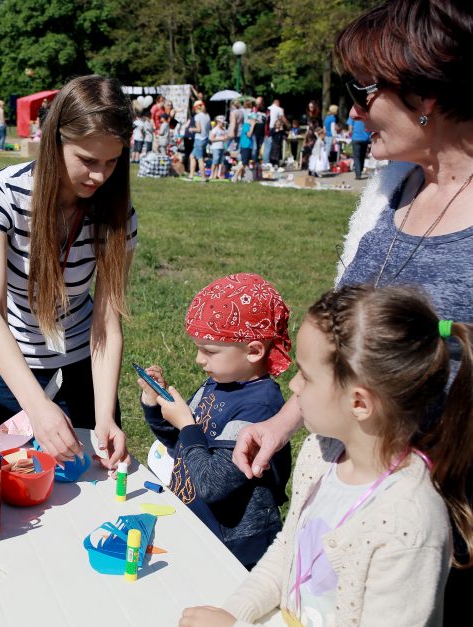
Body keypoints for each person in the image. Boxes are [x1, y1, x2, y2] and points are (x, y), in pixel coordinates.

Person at [233, 0, 473, 615]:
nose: (354, 111)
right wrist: (284, 422)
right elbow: (346, 348)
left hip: (433, 526)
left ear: (425, 89)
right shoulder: (393, 190)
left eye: (364, 91)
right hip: (348, 490)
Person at [182, 284, 472, 627]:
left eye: (306, 376)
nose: (293, 386)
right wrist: (234, 612)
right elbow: (286, 553)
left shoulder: (408, 524)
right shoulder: (321, 455)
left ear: (359, 403)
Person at [0, 75, 136, 467]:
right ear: (53, 141)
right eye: (88, 160)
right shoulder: (0, 196)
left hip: (82, 370)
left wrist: (104, 417)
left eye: (112, 162)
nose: (100, 177)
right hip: (10, 371)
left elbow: (106, 325)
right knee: (19, 488)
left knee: (88, 481)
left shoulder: (117, 214)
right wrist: (36, 407)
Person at [139, 273, 292, 569]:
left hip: (233, 546)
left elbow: (213, 483)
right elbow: (180, 445)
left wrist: (187, 425)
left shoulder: (259, 407)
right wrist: (155, 404)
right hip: (197, 523)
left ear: (254, 351)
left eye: (209, 350)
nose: (198, 359)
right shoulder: (220, 382)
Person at [188, 101, 210, 181]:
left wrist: (191, 129)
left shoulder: (197, 116)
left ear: (196, 108)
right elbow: (208, 128)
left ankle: (203, 177)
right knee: (192, 156)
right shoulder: (207, 116)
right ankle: (191, 175)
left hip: (199, 139)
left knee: (200, 159)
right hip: (205, 139)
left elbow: (198, 129)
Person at [347, 109, 371, 179]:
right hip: (365, 138)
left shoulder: (353, 114)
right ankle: (360, 170)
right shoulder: (367, 114)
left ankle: (358, 174)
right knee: (362, 156)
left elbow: (350, 128)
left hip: (356, 138)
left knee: (356, 157)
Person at [300, 100, 322, 174]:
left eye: (312, 107)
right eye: (309, 107)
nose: (310, 108)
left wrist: (319, 135)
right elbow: (308, 128)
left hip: (315, 136)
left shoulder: (317, 116)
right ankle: (309, 169)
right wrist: (305, 139)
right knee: (308, 152)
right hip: (309, 136)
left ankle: (314, 169)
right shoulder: (308, 116)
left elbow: (320, 127)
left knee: (315, 153)